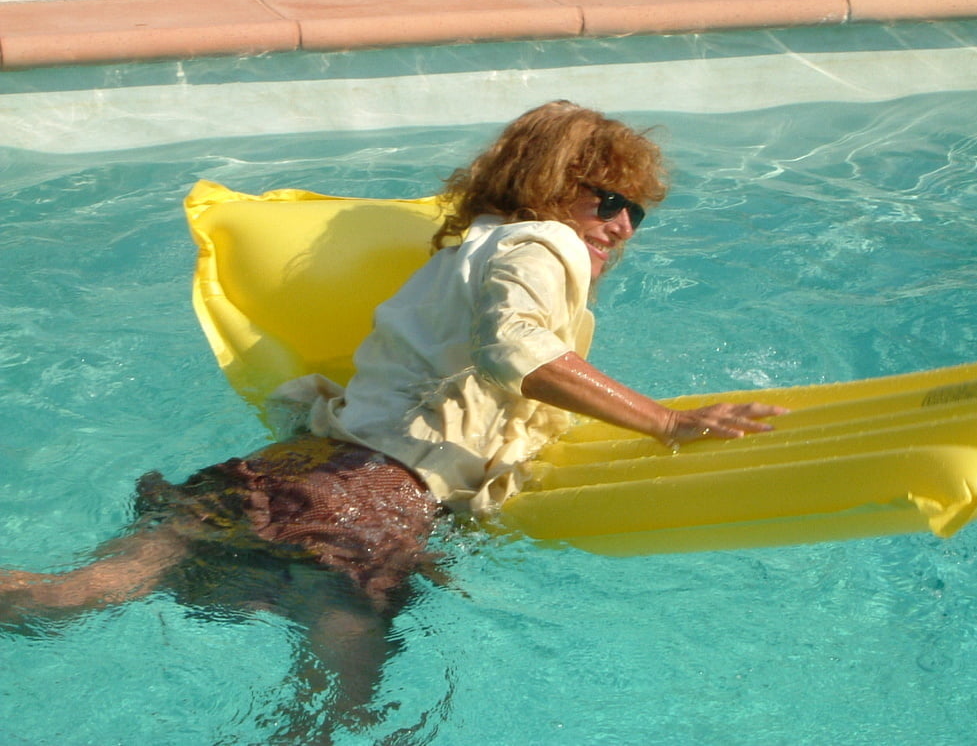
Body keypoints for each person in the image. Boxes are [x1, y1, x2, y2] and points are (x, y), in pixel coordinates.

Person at [0, 101, 784, 722]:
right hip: (369, 499)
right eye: (607, 200)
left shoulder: (468, 247)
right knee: (344, 709)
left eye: (636, 212)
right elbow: (521, 355)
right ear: (548, 188)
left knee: (69, 592)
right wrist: (666, 422)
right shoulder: (539, 246)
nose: (620, 225)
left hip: (290, 467)